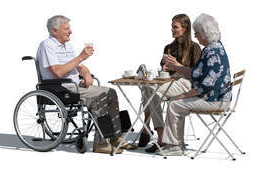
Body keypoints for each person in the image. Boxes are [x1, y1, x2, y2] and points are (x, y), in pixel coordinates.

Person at [36, 15, 136, 154]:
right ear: (54, 30)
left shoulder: (67, 45)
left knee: (111, 92)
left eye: (69, 28)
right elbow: (57, 72)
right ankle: (100, 144)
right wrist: (81, 57)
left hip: (75, 85)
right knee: (100, 95)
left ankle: (116, 137)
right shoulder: (47, 45)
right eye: (66, 28)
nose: (70, 31)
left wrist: (87, 74)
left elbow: (80, 67)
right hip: (60, 88)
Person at [155, 13, 232, 156]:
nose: (195, 36)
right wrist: (177, 67)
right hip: (216, 97)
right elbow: (197, 73)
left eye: (197, 33)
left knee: (174, 104)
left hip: (215, 99)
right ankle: (178, 143)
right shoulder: (213, 47)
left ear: (204, 33)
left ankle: (173, 146)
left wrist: (184, 94)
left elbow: (206, 85)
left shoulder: (212, 52)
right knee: (176, 102)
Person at [138, 14, 201, 153]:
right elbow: (164, 69)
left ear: (185, 28)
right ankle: (161, 135)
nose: (172, 30)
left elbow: (196, 74)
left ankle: (148, 129)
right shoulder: (169, 47)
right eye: (172, 27)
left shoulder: (194, 48)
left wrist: (177, 65)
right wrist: (164, 68)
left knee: (149, 90)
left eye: (175, 27)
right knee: (147, 88)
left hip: (186, 83)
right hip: (169, 82)